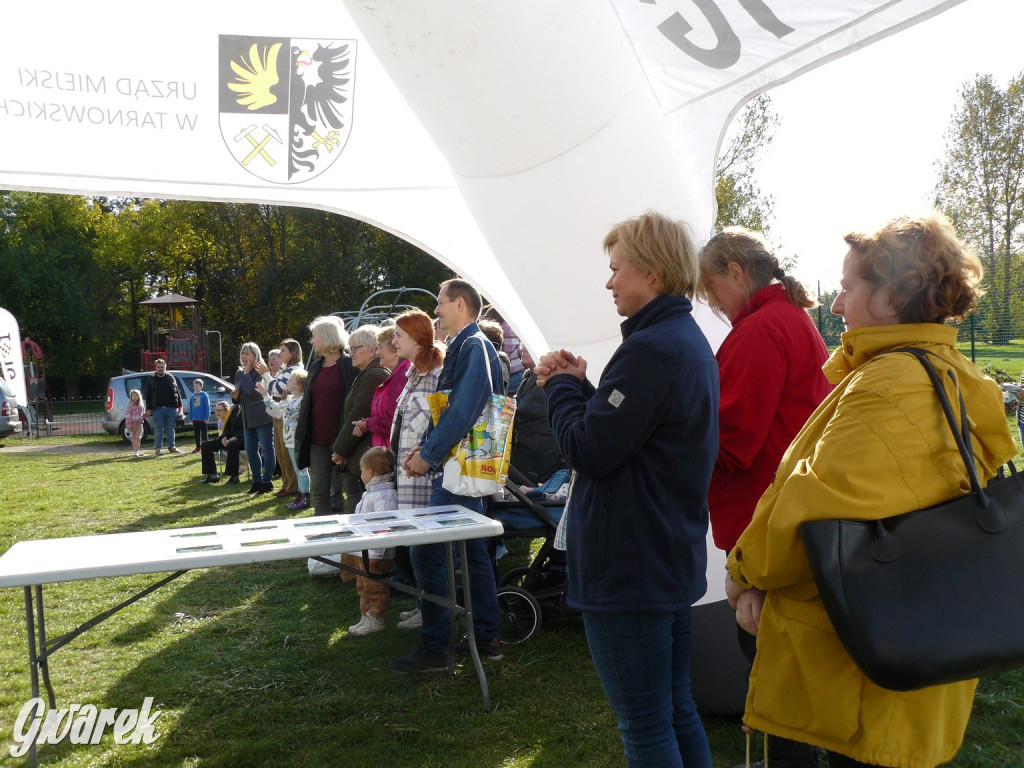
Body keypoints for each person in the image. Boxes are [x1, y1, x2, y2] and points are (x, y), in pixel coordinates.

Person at [725, 212, 1017, 768]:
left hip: (869, 657)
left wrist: (745, 575)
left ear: (892, 298)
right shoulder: (938, 370)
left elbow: (815, 502)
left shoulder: (890, 386)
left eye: (846, 288)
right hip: (914, 634)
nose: (835, 305)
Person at [536, 210, 718, 768]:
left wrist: (563, 390)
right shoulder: (683, 340)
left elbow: (589, 450)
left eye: (617, 269)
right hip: (663, 554)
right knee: (674, 708)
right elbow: (633, 434)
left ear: (654, 275)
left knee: (644, 724)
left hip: (629, 567)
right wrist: (587, 386)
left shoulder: (650, 349)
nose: (609, 281)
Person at [698, 227, 833, 767]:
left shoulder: (760, 329)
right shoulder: (789, 318)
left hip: (766, 521)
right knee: (784, 668)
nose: (712, 303)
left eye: (712, 289)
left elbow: (734, 443)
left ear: (736, 271)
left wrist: (671, 433)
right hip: (787, 515)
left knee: (774, 670)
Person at [389, 279, 503, 672]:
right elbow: (452, 410)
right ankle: (487, 636)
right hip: (463, 468)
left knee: (426, 549)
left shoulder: (472, 346)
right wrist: (427, 447)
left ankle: (437, 646)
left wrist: (430, 455)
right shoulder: (471, 347)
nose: (435, 311)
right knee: (473, 553)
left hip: (457, 470)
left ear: (458, 304)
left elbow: (465, 407)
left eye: (439, 303)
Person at [389, 308, 446, 630]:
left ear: (417, 338)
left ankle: (433, 610)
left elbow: (439, 428)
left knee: (424, 548)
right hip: (407, 474)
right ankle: (425, 603)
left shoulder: (437, 376)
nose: (394, 340)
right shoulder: (413, 374)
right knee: (415, 545)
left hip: (424, 478)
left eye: (399, 335)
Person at [294, 316, 355, 517]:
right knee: (319, 490)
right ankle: (323, 532)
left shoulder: (349, 366)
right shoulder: (314, 367)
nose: (311, 341)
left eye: (314, 336)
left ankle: (355, 535)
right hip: (317, 440)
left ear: (327, 337)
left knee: (349, 487)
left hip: (342, 438)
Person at [331, 325, 390, 513]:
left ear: (372, 350)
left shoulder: (374, 374)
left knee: (363, 510)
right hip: (359, 451)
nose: (350, 354)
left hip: (364, 451)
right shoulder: (368, 373)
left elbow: (358, 413)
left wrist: (340, 450)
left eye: (354, 349)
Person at [347, 446, 400, 636]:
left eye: (362, 471)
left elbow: (383, 529)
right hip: (366, 550)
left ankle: (376, 617)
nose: (361, 474)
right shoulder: (372, 492)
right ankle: (366, 615)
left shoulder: (385, 496)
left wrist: (377, 553)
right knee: (364, 585)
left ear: (370, 472)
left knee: (375, 587)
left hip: (375, 553)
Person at [256, 340, 305, 500]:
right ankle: (286, 484)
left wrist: (265, 373)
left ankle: (293, 486)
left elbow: (277, 388)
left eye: (283, 351)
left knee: (287, 453)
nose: (281, 354)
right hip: (280, 413)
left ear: (292, 352)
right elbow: (276, 388)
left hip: (288, 416)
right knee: (280, 452)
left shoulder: (294, 370)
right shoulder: (285, 369)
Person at [258, 369, 311, 510]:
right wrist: (265, 395)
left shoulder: (301, 401)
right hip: (290, 440)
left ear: (299, 385)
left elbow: (290, 413)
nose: (288, 382)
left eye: (291, 380)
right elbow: (274, 408)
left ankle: (305, 496)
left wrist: (284, 401)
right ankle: (301, 494)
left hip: (297, 440)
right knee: (297, 468)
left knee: (301, 469)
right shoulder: (291, 400)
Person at [352, 326, 410, 450]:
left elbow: (391, 421)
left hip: (392, 452)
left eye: (381, 347)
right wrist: (366, 423)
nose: (377, 352)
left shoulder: (402, 376)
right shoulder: (396, 375)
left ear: (395, 350)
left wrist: (367, 424)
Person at [235, 342, 277, 495]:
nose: (245, 357)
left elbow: (253, 391)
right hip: (247, 416)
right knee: (251, 451)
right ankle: (256, 480)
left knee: (267, 448)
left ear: (255, 355)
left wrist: (247, 373)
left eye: (248, 353)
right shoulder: (239, 372)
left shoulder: (261, 370)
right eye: (243, 353)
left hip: (261, 415)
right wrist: (235, 397)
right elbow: (241, 394)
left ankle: (267, 481)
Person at [197, 397, 245, 484]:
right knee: (206, 445)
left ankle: (234, 477)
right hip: (228, 439)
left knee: (232, 445)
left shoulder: (243, 410)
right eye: (216, 410)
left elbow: (242, 430)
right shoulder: (232, 411)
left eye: (220, 410)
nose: (217, 412)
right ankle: (212, 475)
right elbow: (227, 429)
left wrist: (232, 439)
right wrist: (224, 437)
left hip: (242, 439)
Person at [144, 358, 181, 456]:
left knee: (170, 428)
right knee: (158, 429)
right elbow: (147, 395)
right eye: (158, 367)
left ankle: (172, 447)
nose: (160, 369)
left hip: (171, 408)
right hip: (157, 408)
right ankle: (158, 449)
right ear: (155, 368)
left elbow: (177, 392)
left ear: (165, 367)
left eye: (162, 367)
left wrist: (179, 407)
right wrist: (148, 408)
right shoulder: (151, 379)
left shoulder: (171, 378)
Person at [188, 378, 211, 454]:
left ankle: (206, 446)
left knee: (204, 433)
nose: (195, 388)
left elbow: (207, 407)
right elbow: (191, 407)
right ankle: (198, 447)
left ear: (201, 387)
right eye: (194, 386)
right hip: (195, 418)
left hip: (202, 418)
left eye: (197, 386)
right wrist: (190, 418)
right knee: (196, 433)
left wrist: (206, 417)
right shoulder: (192, 396)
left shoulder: (204, 395)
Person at [126, 389, 146, 457]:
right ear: (131, 397)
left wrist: (146, 415)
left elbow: (143, 414)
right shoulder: (130, 406)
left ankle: (137, 450)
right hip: (133, 423)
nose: (134, 397)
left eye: (136, 395)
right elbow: (128, 416)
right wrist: (129, 425)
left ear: (139, 396)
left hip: (140, 423)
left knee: (138, 437)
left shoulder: (141, 405)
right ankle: (135, 451)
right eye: (133, 396)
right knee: (134, 437)